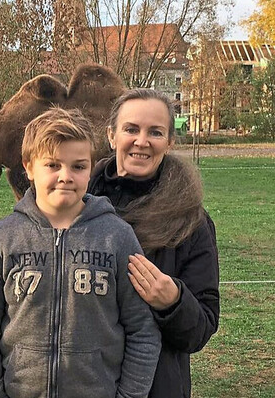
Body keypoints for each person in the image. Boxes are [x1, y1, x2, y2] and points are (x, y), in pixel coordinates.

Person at [0, 107, 161, 398]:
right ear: (29, 167)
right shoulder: (3, 238)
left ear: (91, 167)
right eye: (53, 165)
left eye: (78, 166)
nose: (66, 176)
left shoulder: (117, 237)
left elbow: (143, 330)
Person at [88, 88, 220, 398]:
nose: (142, 141)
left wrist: (174, 301)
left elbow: (201, 328)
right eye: (131, 129)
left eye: (155, 132)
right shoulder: (76, 204)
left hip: (156, 387)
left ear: (170, 142)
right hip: (82, 381)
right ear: (111, 135)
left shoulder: (191, 221)